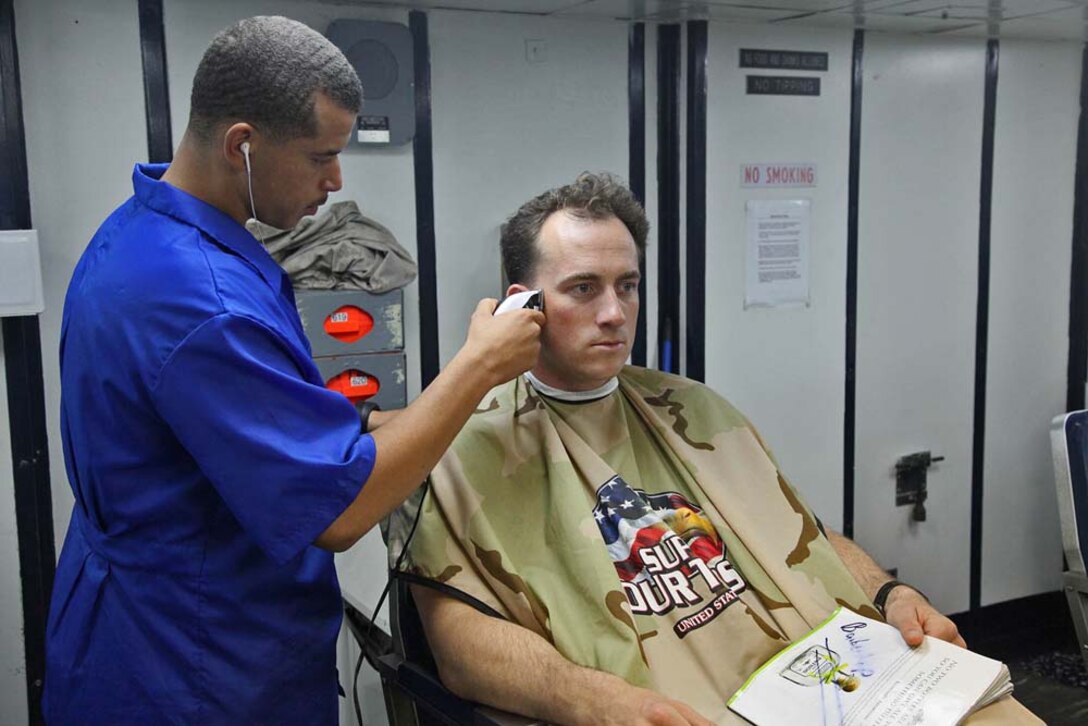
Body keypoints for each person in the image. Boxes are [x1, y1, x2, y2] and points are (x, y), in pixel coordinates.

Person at [391, 173, 1039, 725]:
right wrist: (597, 700)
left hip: (824, 681)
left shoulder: (693, 409)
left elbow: (804, 536)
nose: (615, 313)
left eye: (627, 285)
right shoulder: (456, 447)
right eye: (584, 288)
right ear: (522, 305)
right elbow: (459, 645)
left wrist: (890, 594)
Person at [43, 16, 542, 724]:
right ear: (241, 145)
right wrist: (478, 366)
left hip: (135, 620)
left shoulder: (143, 231)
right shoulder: (201, 304)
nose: (335, 181)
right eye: (320, 157)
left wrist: (379, 422)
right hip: (195, 666)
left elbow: (244, 419)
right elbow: (337, 512)